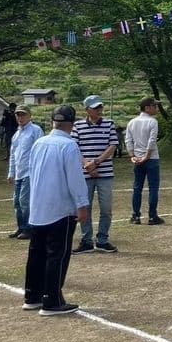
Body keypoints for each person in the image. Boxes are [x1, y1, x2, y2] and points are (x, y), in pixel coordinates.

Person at [23, 105, 90, 316]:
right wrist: (82, 204)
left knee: (36, 252)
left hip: (39, 206)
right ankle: (52, 300)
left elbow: (31, 173)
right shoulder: (69, 146)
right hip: (60, 208)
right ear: (71, 124)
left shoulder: (39, 143)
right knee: (57, 254)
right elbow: (75, 178)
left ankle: (32, 295)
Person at [71, 95, 119, 253]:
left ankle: (102, 239)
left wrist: (96, 162)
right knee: (85, 207)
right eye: (95, 108)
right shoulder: (77, 126)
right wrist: (87, 165)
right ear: (87, 110)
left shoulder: (109, 124)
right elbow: (74, 148)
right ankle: (86, 240)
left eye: (100, 107)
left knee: (106, 208)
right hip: (85, 174)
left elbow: (112, 146)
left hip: (105, 173)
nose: (99, 110)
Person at [5, 105, 44, 239]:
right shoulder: (16, 134)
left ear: (29, 116)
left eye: (23, 115)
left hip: (30, 172)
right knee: (17, 202)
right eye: (18, 115)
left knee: (25, 201)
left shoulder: (35, 130)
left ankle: (29, 228)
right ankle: (21, 227)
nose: (20, 118)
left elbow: (40, 150)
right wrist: (11, 172)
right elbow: (13, 154)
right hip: (19, 173)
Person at [125, 97, 164, 226]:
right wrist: (147, 156)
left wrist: (132, 155)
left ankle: (135, 215)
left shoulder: (132, 122)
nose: (156, 108)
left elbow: (128, 140)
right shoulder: (152, 122)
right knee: (153, 187)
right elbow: (152, 141)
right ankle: (152, 216)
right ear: (147, 107)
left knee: (137, 187)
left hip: (137, 158)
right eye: (154, 106)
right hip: (151, 159)